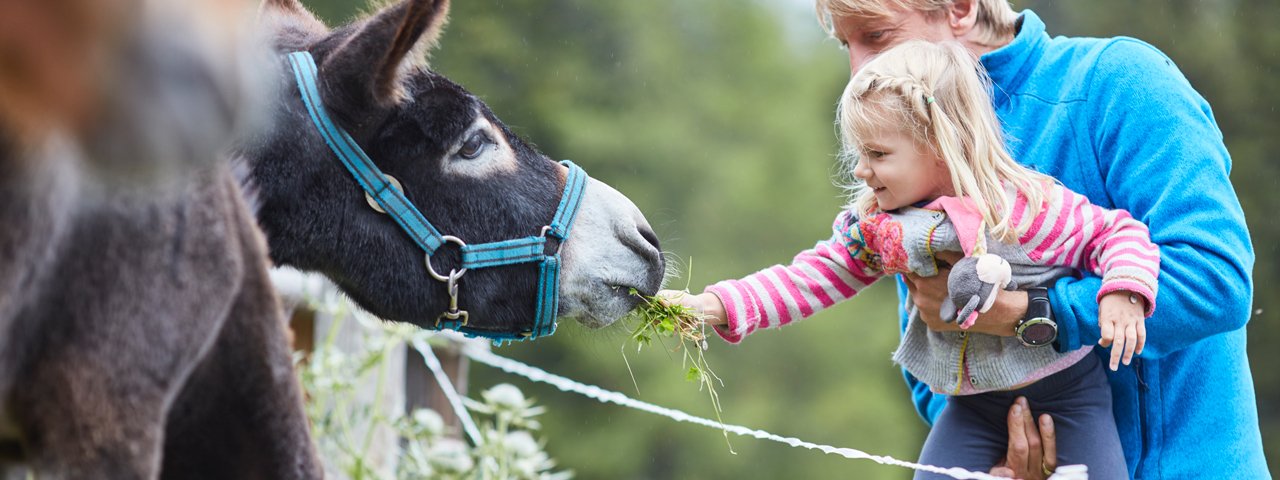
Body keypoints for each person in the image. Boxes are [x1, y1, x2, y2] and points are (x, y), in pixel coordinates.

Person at [810, 0, 1265, 478]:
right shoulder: (909, 142)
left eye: (876, 36)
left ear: (961, 9)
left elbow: (1215, 281)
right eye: (847, 44)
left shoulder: (1122, 81)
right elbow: (931, 354)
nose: (858, 68)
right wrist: (1003, 452)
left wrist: (1029, 314)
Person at [662, 38, 1156, 478]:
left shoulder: (1025, 210)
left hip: (1069, 398)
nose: (860, 170)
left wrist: (1124, 290)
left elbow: (1116, 232)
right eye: (858, 153)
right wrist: (717, 305)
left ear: (939, 145)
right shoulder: (884, 230)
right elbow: (811, 277)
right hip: (972, 408)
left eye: (877, 154)